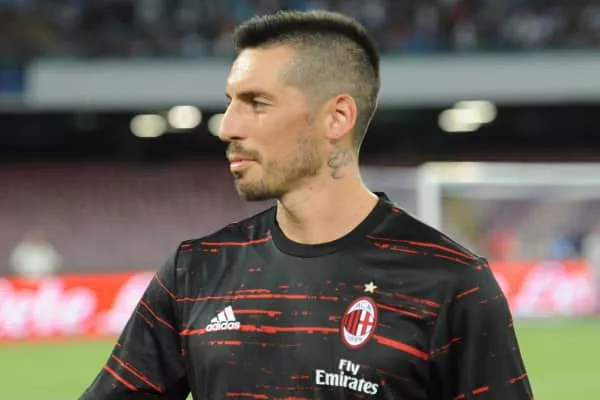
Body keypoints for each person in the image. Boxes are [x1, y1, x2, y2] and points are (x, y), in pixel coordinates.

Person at [81, 10, 534, 399]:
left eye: (257, 103)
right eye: (230, 102)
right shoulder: (195, 270)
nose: (227, 127)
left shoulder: (451, 283)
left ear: (337, 117)